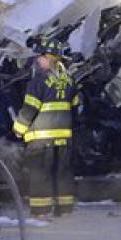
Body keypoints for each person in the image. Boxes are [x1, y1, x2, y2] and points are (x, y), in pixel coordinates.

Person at [13, 39, 79, 217]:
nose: (37, 61)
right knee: (62, 174)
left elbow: (30, 108)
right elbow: (76, 108)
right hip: (64, 138)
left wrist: (19, 129)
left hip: (42, 139)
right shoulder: (70, 80)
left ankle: (40, 211)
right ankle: (64, 209)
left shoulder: (38, 80)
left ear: (48, 58)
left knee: (40, 175)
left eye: (40, 57)